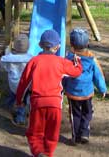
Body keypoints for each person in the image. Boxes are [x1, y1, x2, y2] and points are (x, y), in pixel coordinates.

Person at [16, 29, 83, 157]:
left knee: (35, 133)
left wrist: (19, 101)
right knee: (51, 133)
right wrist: (78, 63)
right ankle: (48, 153)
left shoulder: (33, 61)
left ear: (40, 45)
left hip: (37, 103)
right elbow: (76, 72)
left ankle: (38, 152)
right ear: (58, 47)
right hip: (55, 105)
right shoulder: (61, 62)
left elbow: (23, 83)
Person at [63, 28, 107, 145]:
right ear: (87, 43)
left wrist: (62, 88)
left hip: (73, 93)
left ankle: (76, 136)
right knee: (87, 112)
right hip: (87, 93)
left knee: (75, 114)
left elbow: (64, 75)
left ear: (71, 44)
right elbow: (98, 75)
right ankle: (84, 133)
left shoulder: (68, 58)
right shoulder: (91, 59)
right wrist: (102, 88)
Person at [0, 34, 32, 126]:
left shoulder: (8, 58)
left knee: (13, 93)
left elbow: (1, 68)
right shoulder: (32, 59)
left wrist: (0, 60)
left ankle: (8, 105)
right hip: (25, 87)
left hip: (13, 84)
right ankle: (20, 118)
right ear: (28, 47)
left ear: (15, 46)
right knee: (22, 100)